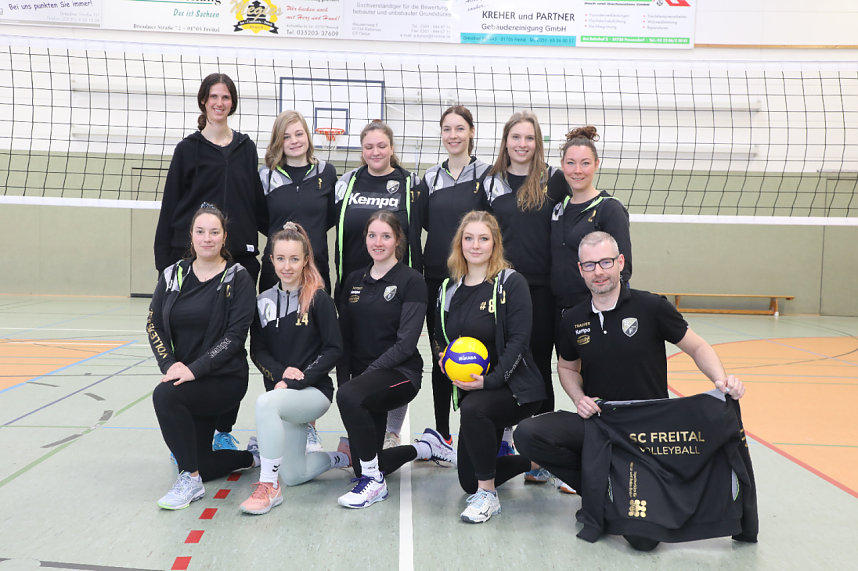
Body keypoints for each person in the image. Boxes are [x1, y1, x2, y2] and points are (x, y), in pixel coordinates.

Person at [514, 231, 746, 538]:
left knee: (643, 541)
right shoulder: (572, 319)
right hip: (601, 422)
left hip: (650, 431)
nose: (598, 271)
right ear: (580, 269)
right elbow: (567, 366)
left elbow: (697, 347)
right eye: (589, 265)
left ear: (620, 263)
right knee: (529, 434)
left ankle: (624, 495)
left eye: (605, 262)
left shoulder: (651, 307)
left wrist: (720, 379)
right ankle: (598, 491)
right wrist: (579, 397)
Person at [153, 72, 268, 451]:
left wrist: (286, 230)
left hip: (239, 259)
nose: (220, 102)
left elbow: (254, 199)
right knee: (195, 342)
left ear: (233, 102)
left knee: (232, 346)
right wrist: (164, 262)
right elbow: (172, 204)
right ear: (203, 101)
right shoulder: (188, 149)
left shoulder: (246, 147)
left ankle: (223, 429)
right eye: (213, 96)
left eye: (226, 97)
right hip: (195, 260)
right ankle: (190, 424)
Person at [432, 211, 546, 523]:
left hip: (516, 387)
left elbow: (519, 341)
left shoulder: (511, 282)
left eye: (483, 238)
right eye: (469, 238)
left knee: (474, 410)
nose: (475, 245)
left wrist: (491, 381)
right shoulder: (448, 289)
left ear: (494, 243)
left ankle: (488, 496)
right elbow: (442, 338)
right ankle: (538, 463)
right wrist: (445, 360)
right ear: (460, 243)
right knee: (468, 478)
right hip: (477, 391)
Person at [335, 211, 452, 509]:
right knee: (363, 463)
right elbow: (344, 340)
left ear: (398, 241)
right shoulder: (352, 281)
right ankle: (425, 447)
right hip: (364, 383)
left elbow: (406, 344)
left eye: (386, 236)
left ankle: (375, 484)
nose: (378, 242)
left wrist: (359, 382)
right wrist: (347, 379)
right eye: (372, 235)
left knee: (350, 398)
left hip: (401, 373)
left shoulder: (411, 281)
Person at [148, 205, 258, 510]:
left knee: (164, 396)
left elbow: (235, 338)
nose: (206, 238)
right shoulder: (173, 274)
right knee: (202, 462)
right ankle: (250, 457)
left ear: (224, 238)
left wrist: (193, 370)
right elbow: (153, 324)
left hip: (224, 380)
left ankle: (190, 482)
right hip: (186, 378)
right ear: (191, 236)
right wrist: (170, 365)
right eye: (200, 232)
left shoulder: (238, 277)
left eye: (214, 232)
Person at [239, 223, 348, 515]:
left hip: (313, 393)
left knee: (264, 404)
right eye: (281, 258)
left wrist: (300, 380)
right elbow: (257, 350)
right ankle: (342, 458)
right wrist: (281, 376)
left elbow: (334, 349)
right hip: (281, 391)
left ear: (305, 261)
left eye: (295, 259)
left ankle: (268, 486)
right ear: (272, 260)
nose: (287, 266)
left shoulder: (318, 299)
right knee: (295, 475)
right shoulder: (262, 301)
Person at [333, 121, 427, 447]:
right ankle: (359, 426)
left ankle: (392, 432)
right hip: (355, 283)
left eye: (381, 145)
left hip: (397, 283)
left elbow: (423, 224)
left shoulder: (410, 184)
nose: (375, 151)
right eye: (369, 146)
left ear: (391, 147)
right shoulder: (346, 183)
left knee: (396, 349)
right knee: (355, 350)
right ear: (362, 150)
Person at [484, 111, 564, 422]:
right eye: (515, 137)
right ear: (505, 142)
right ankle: (504, 436)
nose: (522, 143)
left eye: (529, 137)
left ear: (538, 142)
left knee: (540, 363)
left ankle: (541, 447)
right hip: (501, 289)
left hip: (543, 290)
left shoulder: (554, 179)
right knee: (503, 362)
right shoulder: (490, 182)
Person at [419, 105, 490, 446]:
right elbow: (421, 223)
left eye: (459, 128)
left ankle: (482, 429)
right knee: (442, 355)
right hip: (437, 277)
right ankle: (442, 433)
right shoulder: (430, 177)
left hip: (476, 278)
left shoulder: (488, 175)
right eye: (447, 129)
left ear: (471, 132)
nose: (453, 135)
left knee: (479, 353)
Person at [550, 126, 631, 311]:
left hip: (595, 308)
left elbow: (623, 268)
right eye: (571, 163)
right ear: (562, 165)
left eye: (585, 163)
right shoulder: (557, 208)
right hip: (559, 308)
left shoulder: (609, 208)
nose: (577, 170)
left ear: (596, 164)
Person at [258, 110, 338, 293]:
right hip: (276, 270)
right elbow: (260, 218)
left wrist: (309, 235)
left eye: (299, 134)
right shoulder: (266, 175)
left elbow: (330, 217)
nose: (294, 141)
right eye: (286, 136)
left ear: (307, 136)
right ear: (278, 141)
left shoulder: (326, 172)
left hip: (316, 267)